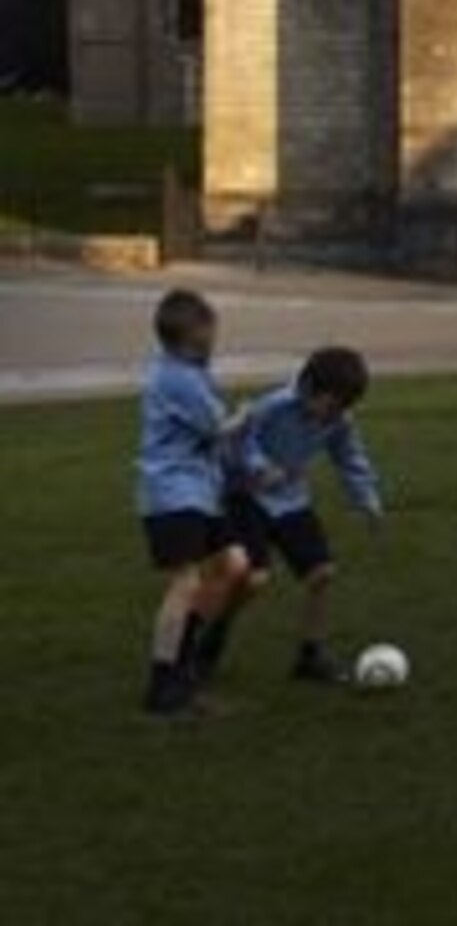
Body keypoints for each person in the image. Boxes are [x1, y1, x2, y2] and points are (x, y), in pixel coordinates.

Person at [219, 344, 385, 684]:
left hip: (291, 501)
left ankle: (310, 656)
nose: (335, 415)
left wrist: (367, 500)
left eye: (343, 408)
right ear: (308, 388)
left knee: (322, 573)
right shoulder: (273, 405)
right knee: (253, 579)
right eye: (332, 405)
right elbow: (238, 442)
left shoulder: (339, 419)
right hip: (246, 498)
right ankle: (210, 639)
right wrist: (260, 468)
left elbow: (350, 458)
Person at [135, 285, 251, 717]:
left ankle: (184, 666)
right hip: (172, 494)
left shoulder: (191, 371)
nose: (214, 340)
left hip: (201, 493)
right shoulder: (178, 378)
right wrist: (244, 416)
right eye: (208, 333)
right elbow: (219, 428)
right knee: (185, 582)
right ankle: (163, 684)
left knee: (233, 566)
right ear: (191, 337)